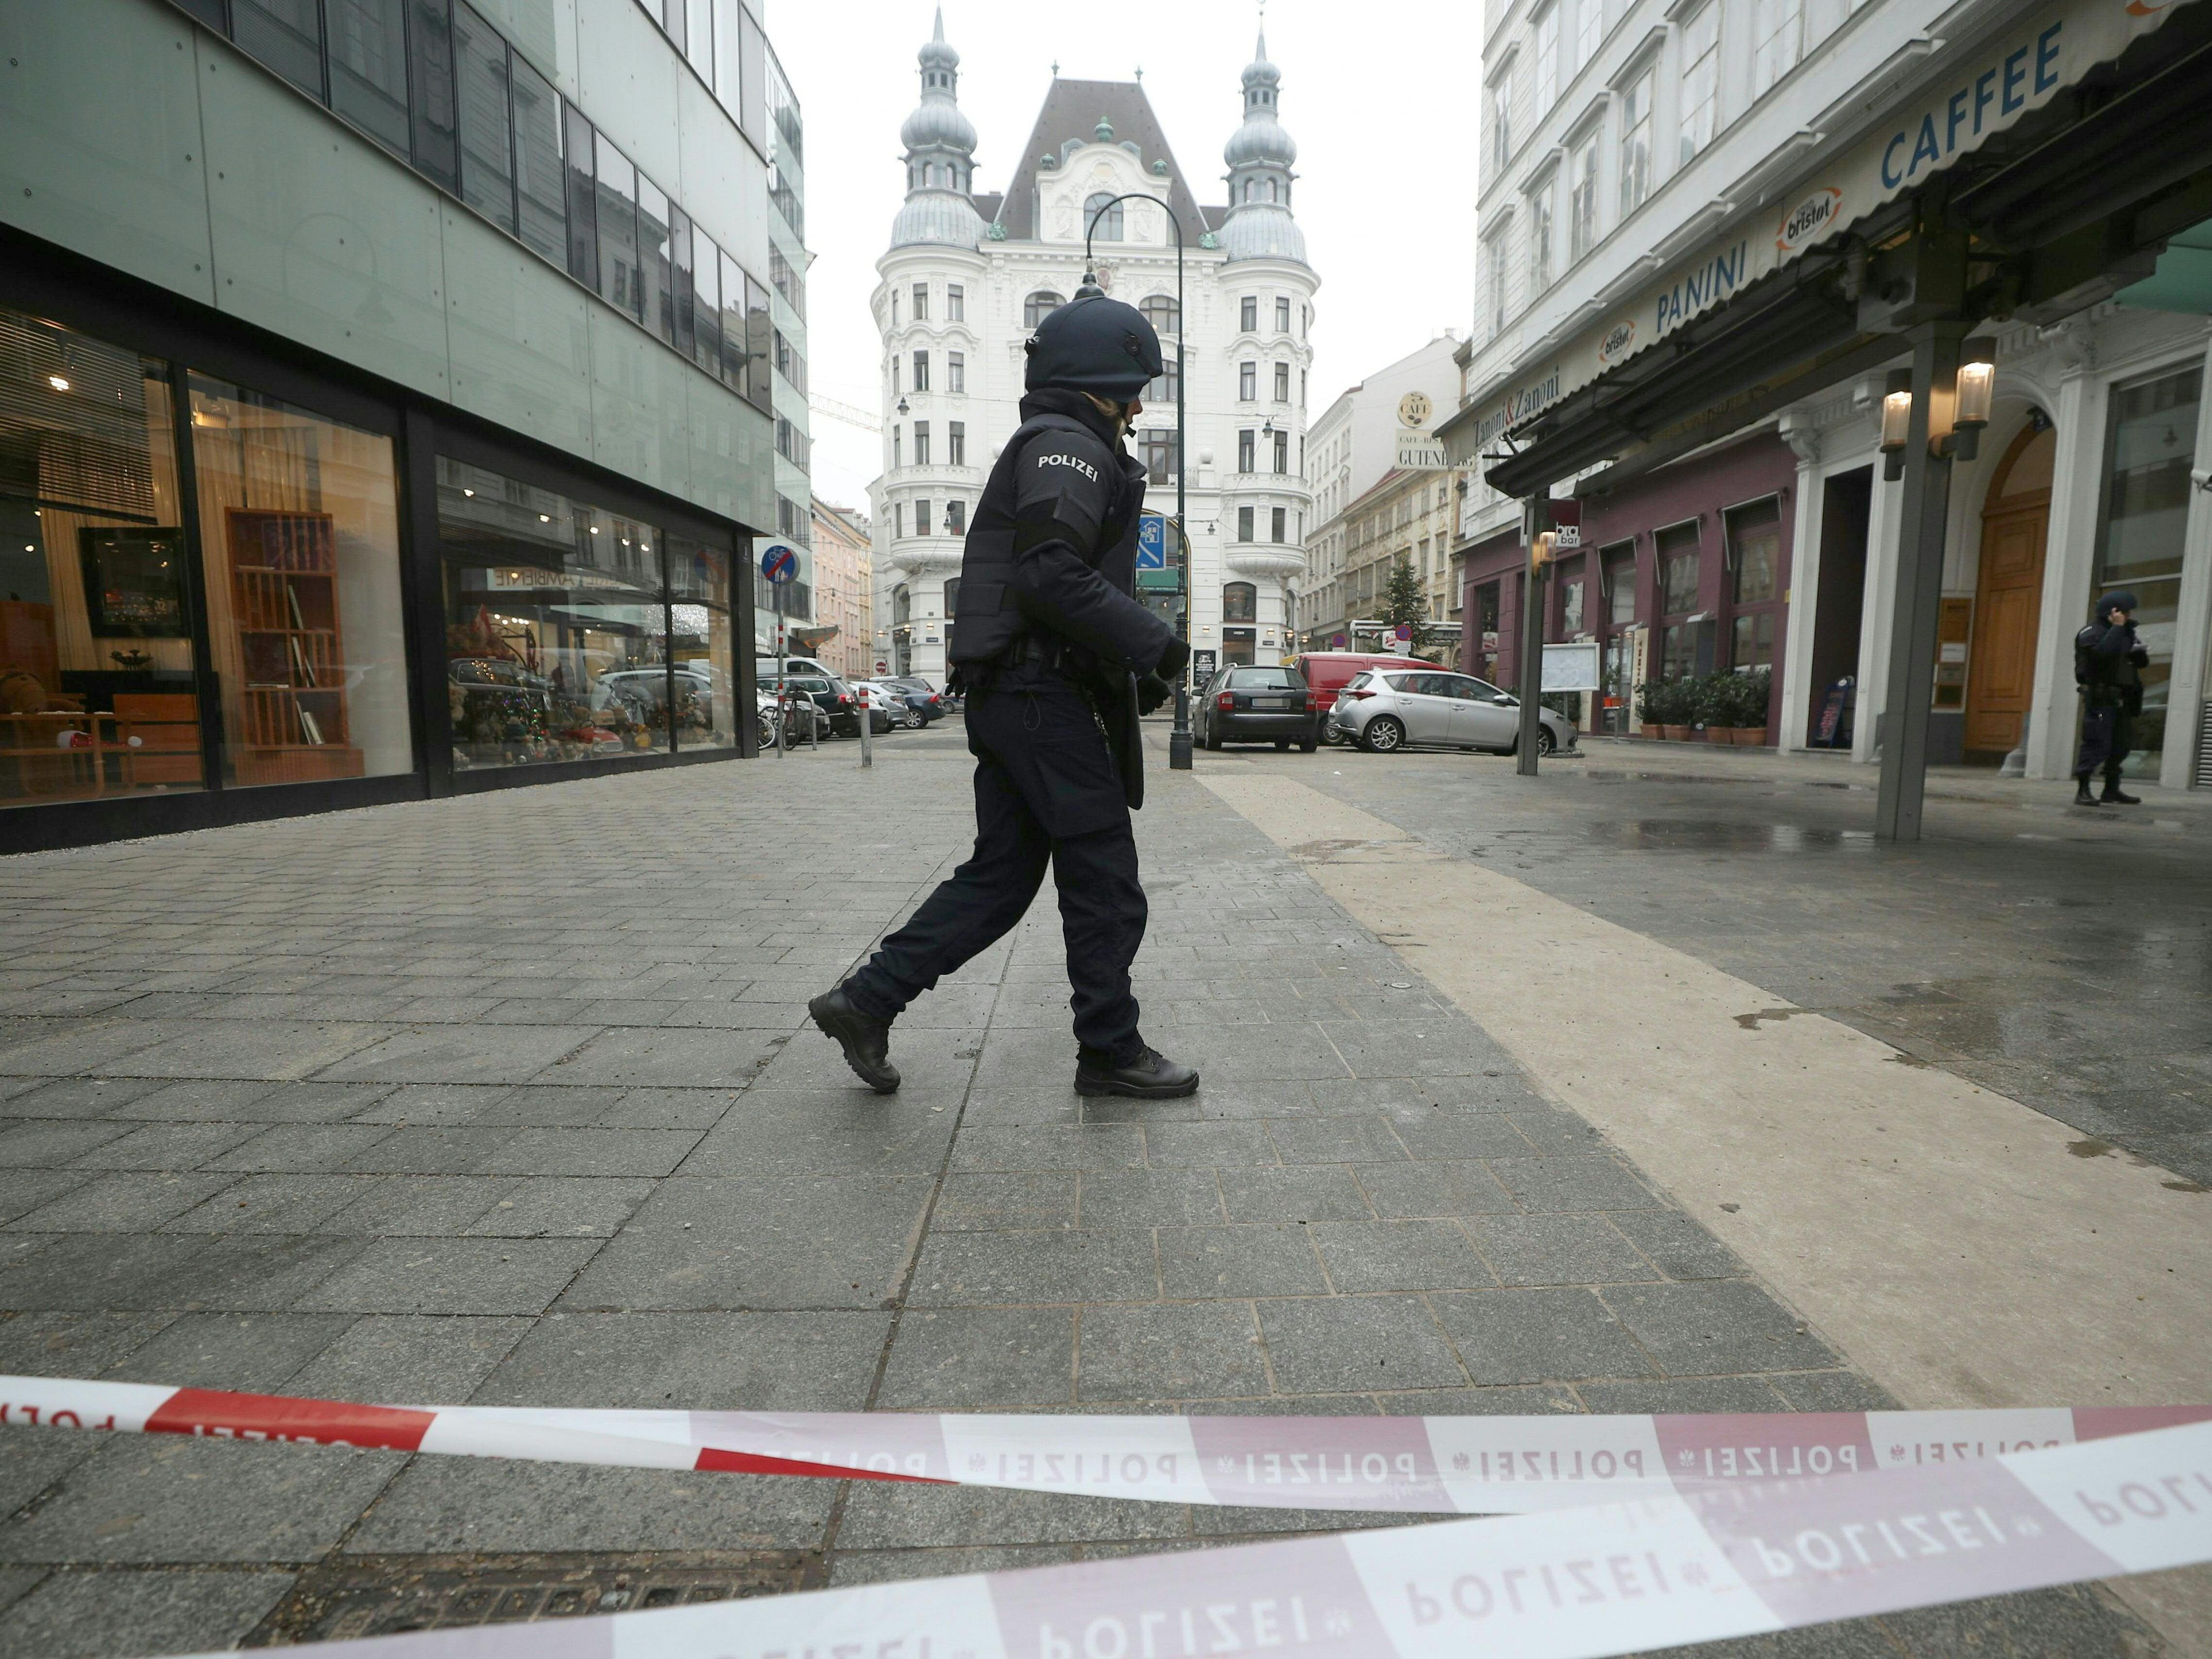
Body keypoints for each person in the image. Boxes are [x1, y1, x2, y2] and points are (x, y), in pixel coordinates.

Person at [808, 292, 1199, 1100]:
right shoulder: (1068, 446)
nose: (1138, 404)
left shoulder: (1062, 442)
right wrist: (1155, 645)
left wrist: (1131, 665)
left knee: (1001, 877)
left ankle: (866, 1000)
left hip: (1018, 692)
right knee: (1104, 877)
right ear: (1100, 379)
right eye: (1133, 386)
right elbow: (1052, 572)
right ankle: (1110, 1051)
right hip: (1038, 693)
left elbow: (1053, 575)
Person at [2072, 588, 2150, 805]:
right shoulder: (2092, 632)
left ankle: (2112, 790)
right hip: (2101, 698)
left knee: (2121, 745)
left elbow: (2141, 664)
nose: (2129, 616)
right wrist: (2117, 628)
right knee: (2096, 743)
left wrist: (2138, 651)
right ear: (2113, 611)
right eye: (2126, 612)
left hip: (2123, 699)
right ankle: (2083, 790)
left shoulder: (2126, 632)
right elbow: (2101, 654)